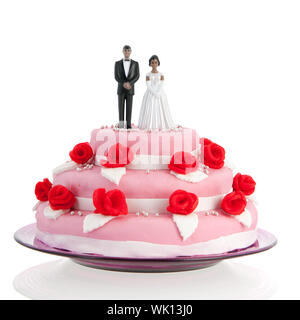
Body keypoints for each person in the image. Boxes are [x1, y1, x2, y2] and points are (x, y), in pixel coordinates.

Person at [138, 55, 176, 130]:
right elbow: (148, 85)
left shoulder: (161, 74)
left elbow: (162, 84)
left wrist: (158, 92)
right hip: (150, 93)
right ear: (150, 64)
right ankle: (148, 125)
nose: (154, 64)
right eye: (152, 63)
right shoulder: (148, 74)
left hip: (160, 93)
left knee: (161, 108)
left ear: (158, 63)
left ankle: (162, 125)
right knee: (149, 107)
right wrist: (154, 93)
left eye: (156, 62)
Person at [114, 45, 140, 129]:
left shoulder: (135, 63)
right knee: (120, 108)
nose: (127, 52)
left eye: (128, 50)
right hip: (121, 89)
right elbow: (116, 76)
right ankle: (121, 125)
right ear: (123, 51)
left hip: (130, 89)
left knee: (129, 108)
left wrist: (130, 83)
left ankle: (128, 125)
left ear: (131, 51)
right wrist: (123, 83)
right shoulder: (117, 63)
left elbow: (137, 75)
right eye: (125, 50)